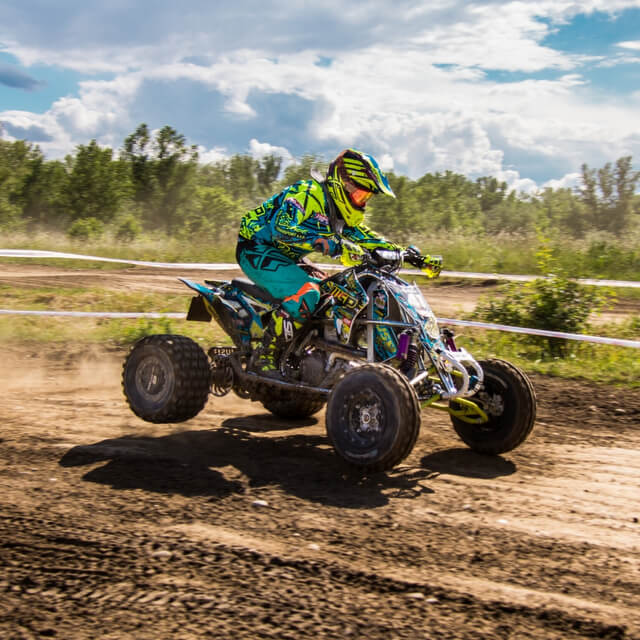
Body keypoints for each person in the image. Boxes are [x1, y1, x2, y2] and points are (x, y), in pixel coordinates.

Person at [236, 148, 442, 378]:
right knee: (308, 294)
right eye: (360, 195)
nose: (362, 202)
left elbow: (372, 240)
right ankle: (265, 355)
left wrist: (414, 257)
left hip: (288, 257)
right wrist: (332, 244)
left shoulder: (339, 214)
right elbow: (281, 228)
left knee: (333, 294)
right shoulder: (308, 192)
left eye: (366, 197)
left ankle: (307, 356)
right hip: (257, 248)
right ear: (342, 183)